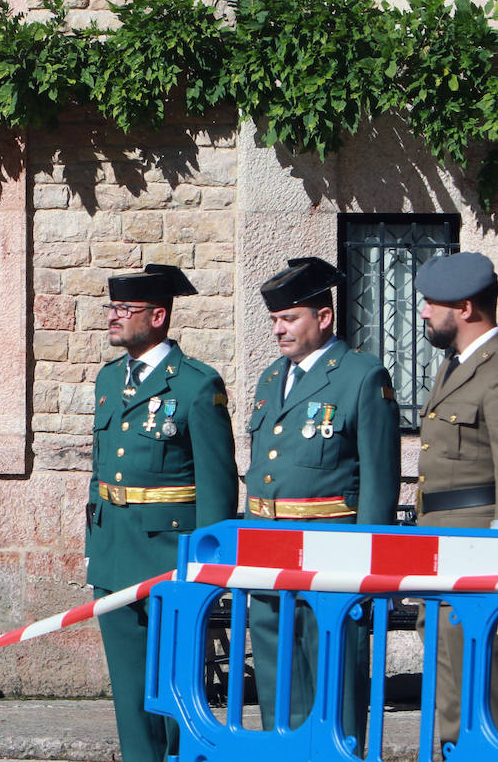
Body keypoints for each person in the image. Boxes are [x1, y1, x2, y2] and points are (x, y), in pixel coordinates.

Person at [86, 264, 237, 762]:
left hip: (170, 559)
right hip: (114, 555)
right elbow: (102, 471)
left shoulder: (195, 385)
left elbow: (217, 488)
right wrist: (96, 550)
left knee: (173, 691)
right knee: (129, 693)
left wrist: (210, 569)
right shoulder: (109, 381)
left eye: (124, 310)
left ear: (158, 316)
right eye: (112, 308)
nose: (113, 318)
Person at [245, 256, 401, 740]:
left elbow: (379, 480)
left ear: (324, 318)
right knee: (276, 685)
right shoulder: (273, 378)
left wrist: (367, 565)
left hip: (331, 556)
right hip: (268, 553)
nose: (278, 330)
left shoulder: (360, 376)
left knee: (334, 689)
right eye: (274, 320)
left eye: (289, 318)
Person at [415, 251, 498, 749]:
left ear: (465, 308)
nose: (423, 311)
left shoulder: (493, 370)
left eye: (432, 303)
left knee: (472, 686)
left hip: (478, 544)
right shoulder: (458, 364)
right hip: (443, 540)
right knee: (449, 679)